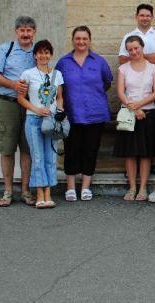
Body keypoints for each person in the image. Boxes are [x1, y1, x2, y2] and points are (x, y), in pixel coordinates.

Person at [55, 26, 113, 202]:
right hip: (71, 114)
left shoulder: (99, 61)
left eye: (84, 39)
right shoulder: (63, 62)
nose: (81, 42)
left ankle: (86, 187)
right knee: (71, 150)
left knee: (90, 150)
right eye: (78, 38)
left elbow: (107, 82)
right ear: (73, 40)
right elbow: (58, 86)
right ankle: (71, 187)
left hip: (95, 113)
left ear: (89, 40)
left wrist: (92, 95)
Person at [0, 16, 36, 207]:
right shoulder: (5, 49)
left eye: (29, 30)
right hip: (8, 104)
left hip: (30, 105)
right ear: (16, 32)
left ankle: (25, 191)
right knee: (7, 148)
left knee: (27, 148)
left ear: (34, 32)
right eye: (22, 30)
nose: (25, 34)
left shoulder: (38, 52)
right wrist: (13, 84)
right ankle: (7, 191)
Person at [118, 4, 155, 177]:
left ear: (152, 17)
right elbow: (121, 59)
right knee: (131, 130)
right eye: (142, 15)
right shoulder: (128, 36)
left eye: (148, 15)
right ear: (136, 16)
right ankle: (132, 168)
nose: (145, 18)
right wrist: (142, 55)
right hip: (131, 93)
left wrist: (138, 56)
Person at [17, 40, 63, 209]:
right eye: (40, 52)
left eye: (47, 52)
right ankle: (39, 194)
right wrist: (36, 110)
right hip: (33, 120)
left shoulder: (57, 74)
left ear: (51, 55)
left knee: (50, 158)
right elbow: (20, 98)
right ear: (35, 55)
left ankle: (49, 193)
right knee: (37, 157)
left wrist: (60, 111)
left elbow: (59, 97)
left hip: (51, 121)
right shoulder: (27, 74)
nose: (44, 56)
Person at [114, 35, 155, 202]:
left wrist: (139, 105)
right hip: (129, 114)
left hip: (148, 114)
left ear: (142, 47)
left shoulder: (153, 68)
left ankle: (143, 187)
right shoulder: (123, 69)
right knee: (130, 154)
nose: (134, 52)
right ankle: (132, 186)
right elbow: (120, 92)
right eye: (130, 49)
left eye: (136, 48)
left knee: (145, 153)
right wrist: (133, 107)